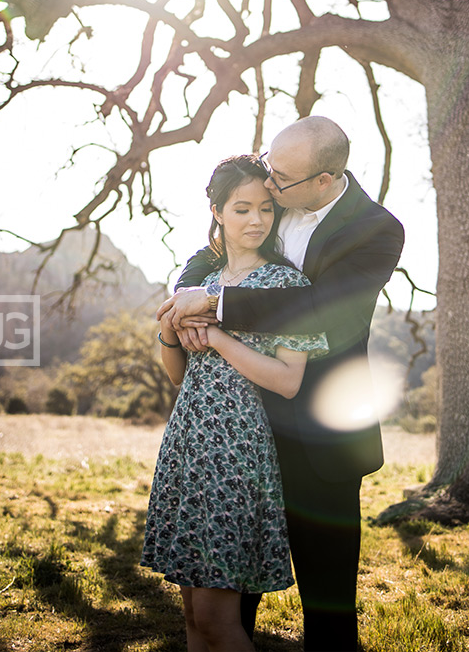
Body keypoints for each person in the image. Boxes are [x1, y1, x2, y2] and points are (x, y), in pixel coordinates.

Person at [158, 116, 405, 652]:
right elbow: (211, 255)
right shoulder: (269, 202)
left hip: (321, 431)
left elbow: (321, 310)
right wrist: (185, 298)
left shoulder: (378, 231)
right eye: (268, 171)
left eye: (280, 180)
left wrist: (216, 309)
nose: (268, 186)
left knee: (328, 597)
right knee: (229, 593)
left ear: (324, 180)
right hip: (240, 430)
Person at [140, 154, 328, 652]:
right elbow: (182, 377)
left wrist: (221, 339)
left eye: (266, 209)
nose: (257, 221)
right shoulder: (202, 283)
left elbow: (288, 381)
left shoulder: (287, 286)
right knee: (191, 617)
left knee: (217, 618)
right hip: (187, 445)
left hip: (236, 452)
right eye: (242, 209)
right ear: (218, 211)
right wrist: (168, 332)